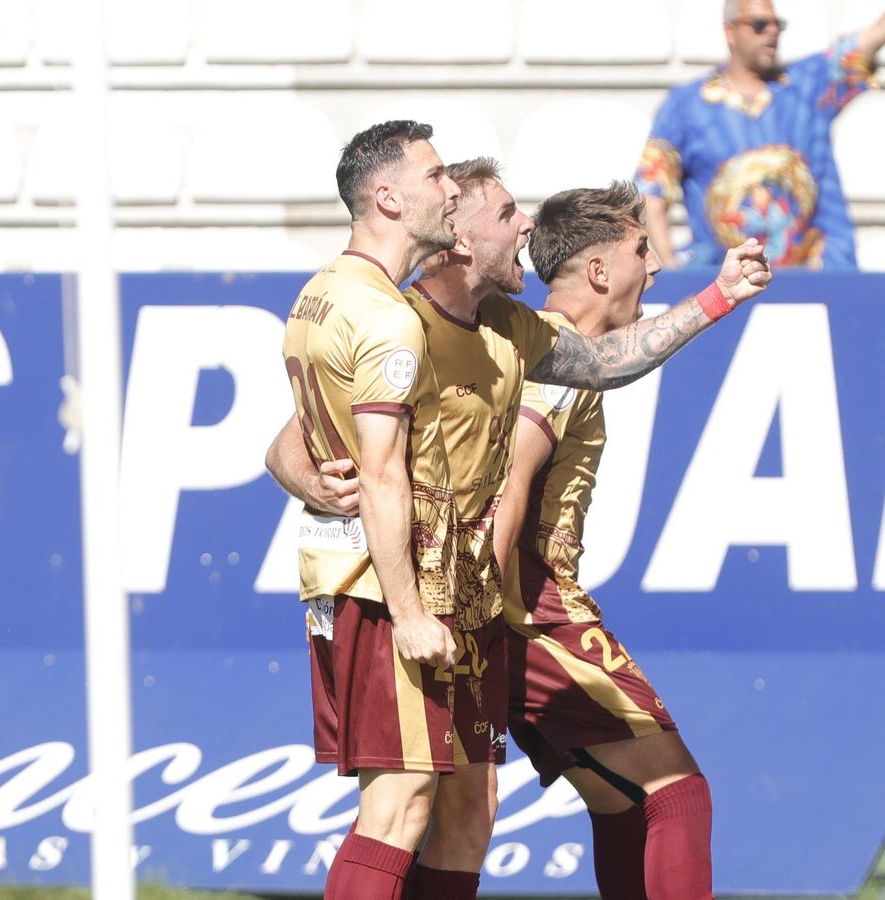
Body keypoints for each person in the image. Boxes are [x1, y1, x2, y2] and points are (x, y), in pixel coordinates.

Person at [267, 163, 772, 895]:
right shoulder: (399, 325)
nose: (525, 228)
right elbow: (300, 437)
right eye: (507, 215)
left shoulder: (512, 329)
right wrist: (314, 482)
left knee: (471, 807)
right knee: (402, 807)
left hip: (470, 604)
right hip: (430, 595)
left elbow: (603, 364)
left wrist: (719, 297)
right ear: (462, 238)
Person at [491, 183, 710, 899]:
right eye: (641, 251)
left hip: (502, 612)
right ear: (597, 271)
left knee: (621, 804)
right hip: (530, 609)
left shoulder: (541, 350)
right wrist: (486, 611)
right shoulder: (559, 359)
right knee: (679, 793)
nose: (653, 267)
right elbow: (511, 482)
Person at [278, 119, 463, 898]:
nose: (451, 189)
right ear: (386, 196)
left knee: (412, 799)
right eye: (435, 175)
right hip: (376, 586)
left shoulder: (322, 294)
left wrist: (309, 480)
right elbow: (384, 476)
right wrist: (411, 609)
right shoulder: (388, 319)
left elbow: (286, 441)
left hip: (334, 576)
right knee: (400, 802)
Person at [636, 0, 885, 270]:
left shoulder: (808, 85)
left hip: (817, 277)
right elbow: (651, 192)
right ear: (730, 32)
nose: (771, 32)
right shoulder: (687, 105)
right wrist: (670, 268)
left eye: (777, 25)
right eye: (759, 25)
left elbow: (882, 30)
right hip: (726, 285)